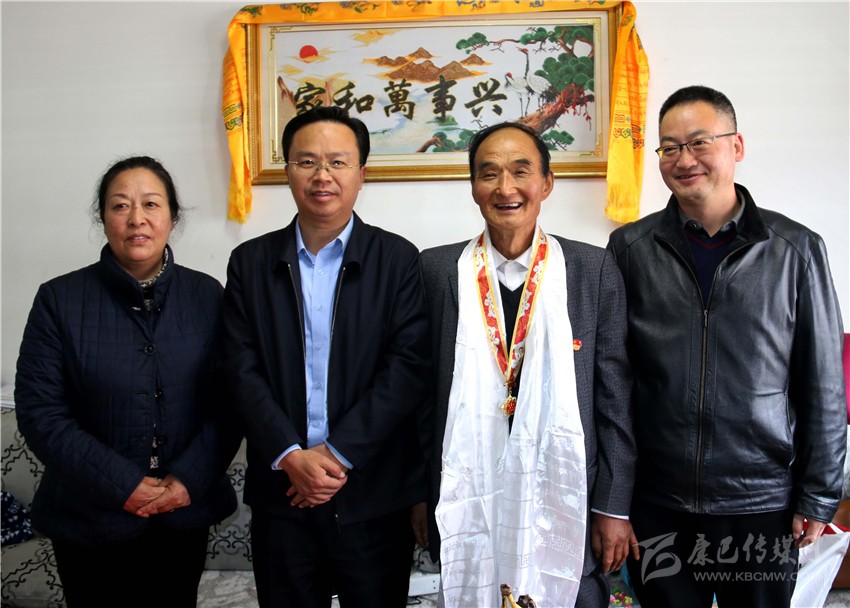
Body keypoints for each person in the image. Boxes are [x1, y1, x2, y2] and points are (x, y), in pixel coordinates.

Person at [608, 85, 847, 607]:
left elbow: (824, 383)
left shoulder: (795, 250)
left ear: (736, 146)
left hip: (760, 501)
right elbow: (615, 381)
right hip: (660, 502)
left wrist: (818, 493)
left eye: (699, 142)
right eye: (670, 147)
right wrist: (613, 498)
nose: (684, 159)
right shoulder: (630, 249)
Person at [417, 122, 637, 607]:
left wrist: (613, 505)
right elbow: (419, 396)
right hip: (470, 489)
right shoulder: (436, 270)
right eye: (488, 174)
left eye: (521, 171)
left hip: (567, 492)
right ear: (473, 185)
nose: (506, 188)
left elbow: (615, 397)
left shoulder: (592, 269)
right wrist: (419, 494)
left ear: (546, 183)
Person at [222, 106, 430, 608]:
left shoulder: (398, 259)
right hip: (283, 493)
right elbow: (239, 367)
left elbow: (407, 369)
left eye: (338, 162)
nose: (322, 175)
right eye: (307, 161)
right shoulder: (250, 262)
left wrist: (335, 456)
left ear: (362, 173)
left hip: (372, 496)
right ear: (287, 170)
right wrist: (290, 455)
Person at [15, 156, 240, 607]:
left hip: (182, 512)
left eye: (151, 204)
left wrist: (187, 480)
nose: (137, 218)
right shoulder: (59, 299)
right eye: (120, 206)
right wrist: (122, 485)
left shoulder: (207, 295)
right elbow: (41, 413)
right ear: (103, 218)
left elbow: (231, 402)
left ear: (172, 217)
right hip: (88, 518)